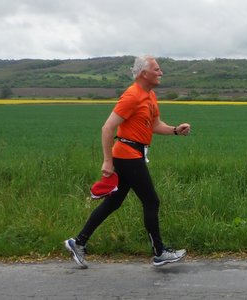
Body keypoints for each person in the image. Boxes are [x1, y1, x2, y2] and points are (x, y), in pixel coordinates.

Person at [65, 55, 191, 268]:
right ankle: (159, 253)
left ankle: (78, 242)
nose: (161, 73)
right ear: (144, 73)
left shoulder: (149, 96)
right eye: (157, 69)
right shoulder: (132, 96)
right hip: (127, 155)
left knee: (114, 201)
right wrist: (107, 161)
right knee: (151, 201)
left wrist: (175, 131)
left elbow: (155, 125)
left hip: (134, 154)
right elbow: (107, 128)